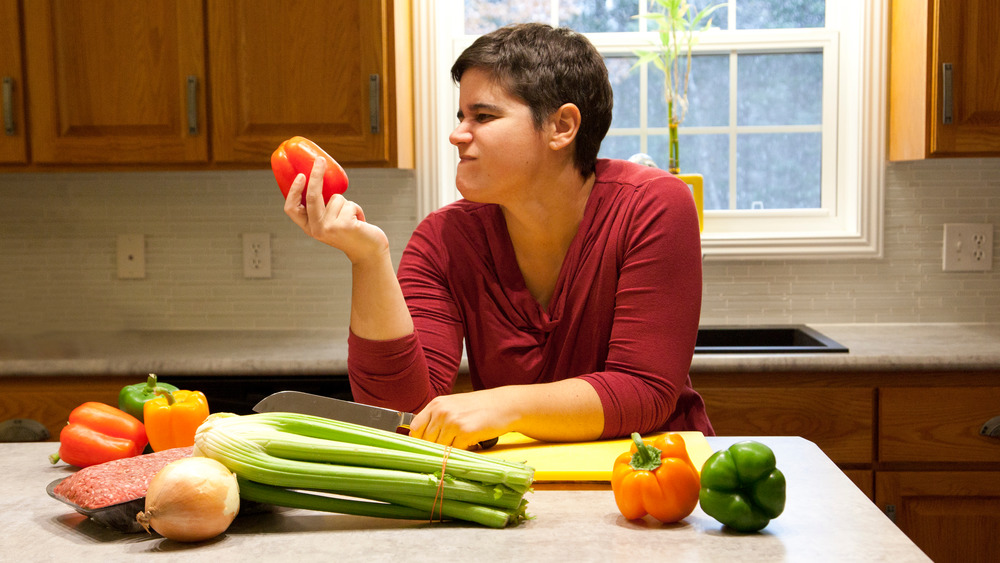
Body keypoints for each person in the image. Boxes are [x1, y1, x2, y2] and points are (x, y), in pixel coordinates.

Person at [284, 23, 713, 449]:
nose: (457, 134)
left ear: (562, 126)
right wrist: (368, 258)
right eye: (461, 116)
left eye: (483, 116)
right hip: (523, 485)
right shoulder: (444, 240)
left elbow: (643, 390)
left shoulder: (652, 205)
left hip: (656, 481)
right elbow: (403, 416)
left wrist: (504, 406)